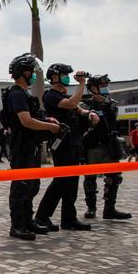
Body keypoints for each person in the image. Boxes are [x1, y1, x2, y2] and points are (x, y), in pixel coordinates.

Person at [35, 63, 99, 232]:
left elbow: (78, 109)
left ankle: (69, 219)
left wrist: (90, 113)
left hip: (75, 141)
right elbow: (71, 104)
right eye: (63, 74)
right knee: (60, 181)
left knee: (71, 182)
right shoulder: (51, 95)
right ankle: (42, 216)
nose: (67, 77)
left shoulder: (63, 94)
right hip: (63, 143)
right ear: (54, 77)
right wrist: (82, 84)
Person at [3, 53, 60, 240]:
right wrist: (49, 126)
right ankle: (17, 225)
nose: (33, 74)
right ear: (22, 72)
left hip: (31, 146)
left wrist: (47, 119)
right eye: (30, 71)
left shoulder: (24, 94)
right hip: (22, 147)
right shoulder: (16, 94)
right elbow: (26, 121)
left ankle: (27, 221)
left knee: (32, 186)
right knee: (22, 186)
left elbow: (33, 116)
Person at [81, 75, 132, 220]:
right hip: (92, 147)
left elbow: (113, 118)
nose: (105, 89)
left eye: (105, 86)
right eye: (101, 86)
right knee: (90, 178)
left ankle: (110, 209)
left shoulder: (111, 104)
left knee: (114, 177)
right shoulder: (85, 105)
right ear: (92, 88)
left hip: (109, 146)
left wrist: (106, 104)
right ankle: (91, 208)